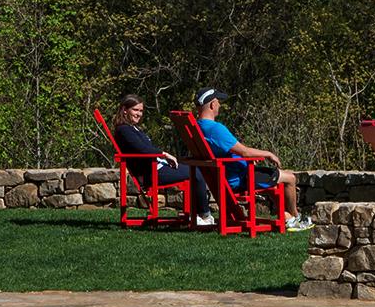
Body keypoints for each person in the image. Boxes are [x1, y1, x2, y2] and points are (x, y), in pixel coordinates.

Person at [194, 88, 312, 231]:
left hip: (226, 175)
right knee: (290, 178)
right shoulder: (215, 128)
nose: (219, 105)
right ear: (212, 104)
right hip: (240, 178)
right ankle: (295, 218)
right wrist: (268, 153)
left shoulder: (198, 127)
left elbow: (231, 151)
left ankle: (286, 217)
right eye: (218, 101)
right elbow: (244, 151)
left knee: (273, 184)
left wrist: (245, 158)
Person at [112, 94, 213, 227]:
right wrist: (164, 154)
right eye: (135, 110)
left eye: (141, 111)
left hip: (156, 167)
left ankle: (198, 214)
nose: (139, 114)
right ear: (125, 110)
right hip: (151, 172)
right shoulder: (124, 130)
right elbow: (142, 149)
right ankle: (205, 216)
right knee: (196, 172)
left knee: (194, 168)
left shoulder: (132, 128)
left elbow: (147, 148)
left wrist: (164, 157)